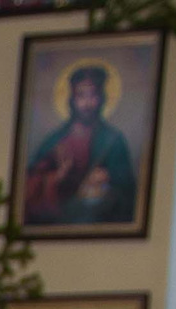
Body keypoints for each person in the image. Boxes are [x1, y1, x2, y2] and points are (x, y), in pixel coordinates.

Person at [22, 64, 138, 228]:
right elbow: (30, 183)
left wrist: (107, 179)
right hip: (59, 217)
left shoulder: (113, 140)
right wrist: (57, 177)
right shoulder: (56, 140)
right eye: (81, 96)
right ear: (72, 99)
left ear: (102, 98)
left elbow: (128, 190)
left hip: (98, 216)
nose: (87, 103)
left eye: (93, 95)